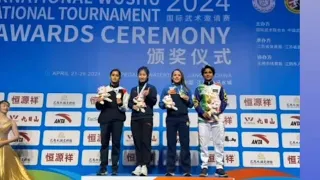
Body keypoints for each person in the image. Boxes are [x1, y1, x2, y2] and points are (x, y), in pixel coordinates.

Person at [193, 65, 228, 177]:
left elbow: (224, 100)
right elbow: (196, 102)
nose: (208, 74)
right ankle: (204, 167)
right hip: (203, 120)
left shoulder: (219, 87)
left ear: (213, 74)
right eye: (206, 72)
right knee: (203, 144)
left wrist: (218, 111)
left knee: (219, 142)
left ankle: (219, 167)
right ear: (203, 74)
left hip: (217, 119)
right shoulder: (199, 88)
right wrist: (202, 113)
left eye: (210, 72)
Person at [159, 69, 193, 177]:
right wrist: (167, 97)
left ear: (181, 77)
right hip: (171, 119)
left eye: (179, 75)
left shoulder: (186, 89)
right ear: (172, 77)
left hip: (183, 119)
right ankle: (170, 170)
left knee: (185, 144)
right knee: (171, 144)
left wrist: (187, 99)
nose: (177, 76)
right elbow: (160, 104)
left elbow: (191, 104)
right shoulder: (167, 88)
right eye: (175, 75)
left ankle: (186, 170)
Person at [96, 69, 129, 176]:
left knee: (116, 144)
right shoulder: (104, 89)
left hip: (117, 120)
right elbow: (99, 107)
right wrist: (99, 100)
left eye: (117, 75)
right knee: (104, 144)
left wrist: (120, 104)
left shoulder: (123, 91)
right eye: (113, 75)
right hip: (105, 120)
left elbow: (125, 108)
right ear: (110, 76)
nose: (114, 77)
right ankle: (103, 168)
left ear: (120, 78)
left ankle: (115, 169)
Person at [128, 66, 158, 176]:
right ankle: (139, 165)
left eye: (144, 74)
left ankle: (145, 165)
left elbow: (153, 102)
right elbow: (129, 103)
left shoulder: (151, 88)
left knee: (146, 141)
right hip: (135, 118)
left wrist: (148, 95)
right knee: (137, 141)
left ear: (147, 76)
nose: (142, 76)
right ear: (138, 76)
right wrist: (133, 107)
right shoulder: (134, 89)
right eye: (140, 74)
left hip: (146, 117)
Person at [0, 100, 33, 180]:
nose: (6, 107)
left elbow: (16, 136)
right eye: (4, 105)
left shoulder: (11, 122)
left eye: (7, 106)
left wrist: (3, 142)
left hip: (4, 149)